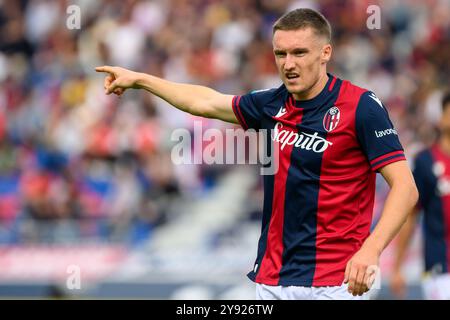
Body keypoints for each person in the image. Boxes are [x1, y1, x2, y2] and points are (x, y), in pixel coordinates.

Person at [96, 8, 418, 300]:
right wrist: (141, 80)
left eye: (299, 53)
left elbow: (405, 187)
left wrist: (371, 250)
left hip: (340, 281)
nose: (288, 64)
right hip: (273, 281)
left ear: (325, 53)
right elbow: (205, 102)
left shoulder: (361, 106)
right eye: (281, 54)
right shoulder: (269, 104)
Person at [390, 92, 450, 300]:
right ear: (441, 119)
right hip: (441, 269)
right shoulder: (425, 161)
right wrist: (398, 267)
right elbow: (410, 216)